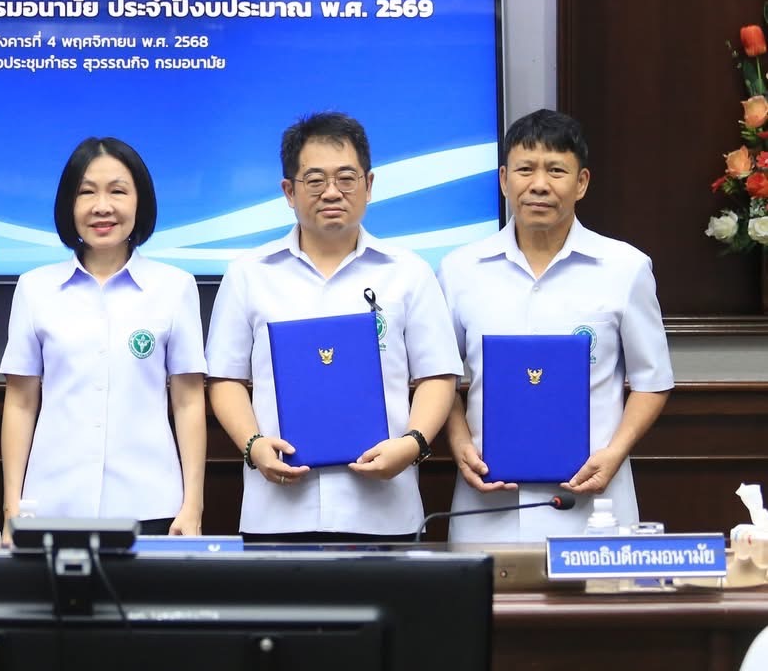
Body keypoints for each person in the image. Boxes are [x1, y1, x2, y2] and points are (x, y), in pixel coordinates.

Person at [206, 111, 461, 541]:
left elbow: (438, 374)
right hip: (278, 511)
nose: (331, 192)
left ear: (369, 185)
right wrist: (253, 446)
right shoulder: (249, 274)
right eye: (314, 180)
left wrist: (413, 443)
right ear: (289, 191)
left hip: (383, 511)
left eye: (346, 178)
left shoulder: (409, 272)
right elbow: (225, 378)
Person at [438, 109, 673, 541]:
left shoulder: (625, 268)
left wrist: (615, 452)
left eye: (556, 170)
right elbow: (440, 377)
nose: (539, 184)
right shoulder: (459, 270)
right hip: (488, 503)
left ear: (581, 182)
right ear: (504, 179)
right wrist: (459, 442)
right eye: (525, 169)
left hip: (593, 507)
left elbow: (652, 381)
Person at [0, 137, 206, 537]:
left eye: (118, 191)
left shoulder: (175, 287)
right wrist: (12, 508)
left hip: (151, 503)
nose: (102, 206)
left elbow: (188, 401)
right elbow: (21, 403)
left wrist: (192, 505)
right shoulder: (34, 288)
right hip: (51, 503)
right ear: (68, 204)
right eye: (87, 192)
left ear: (140, 202)